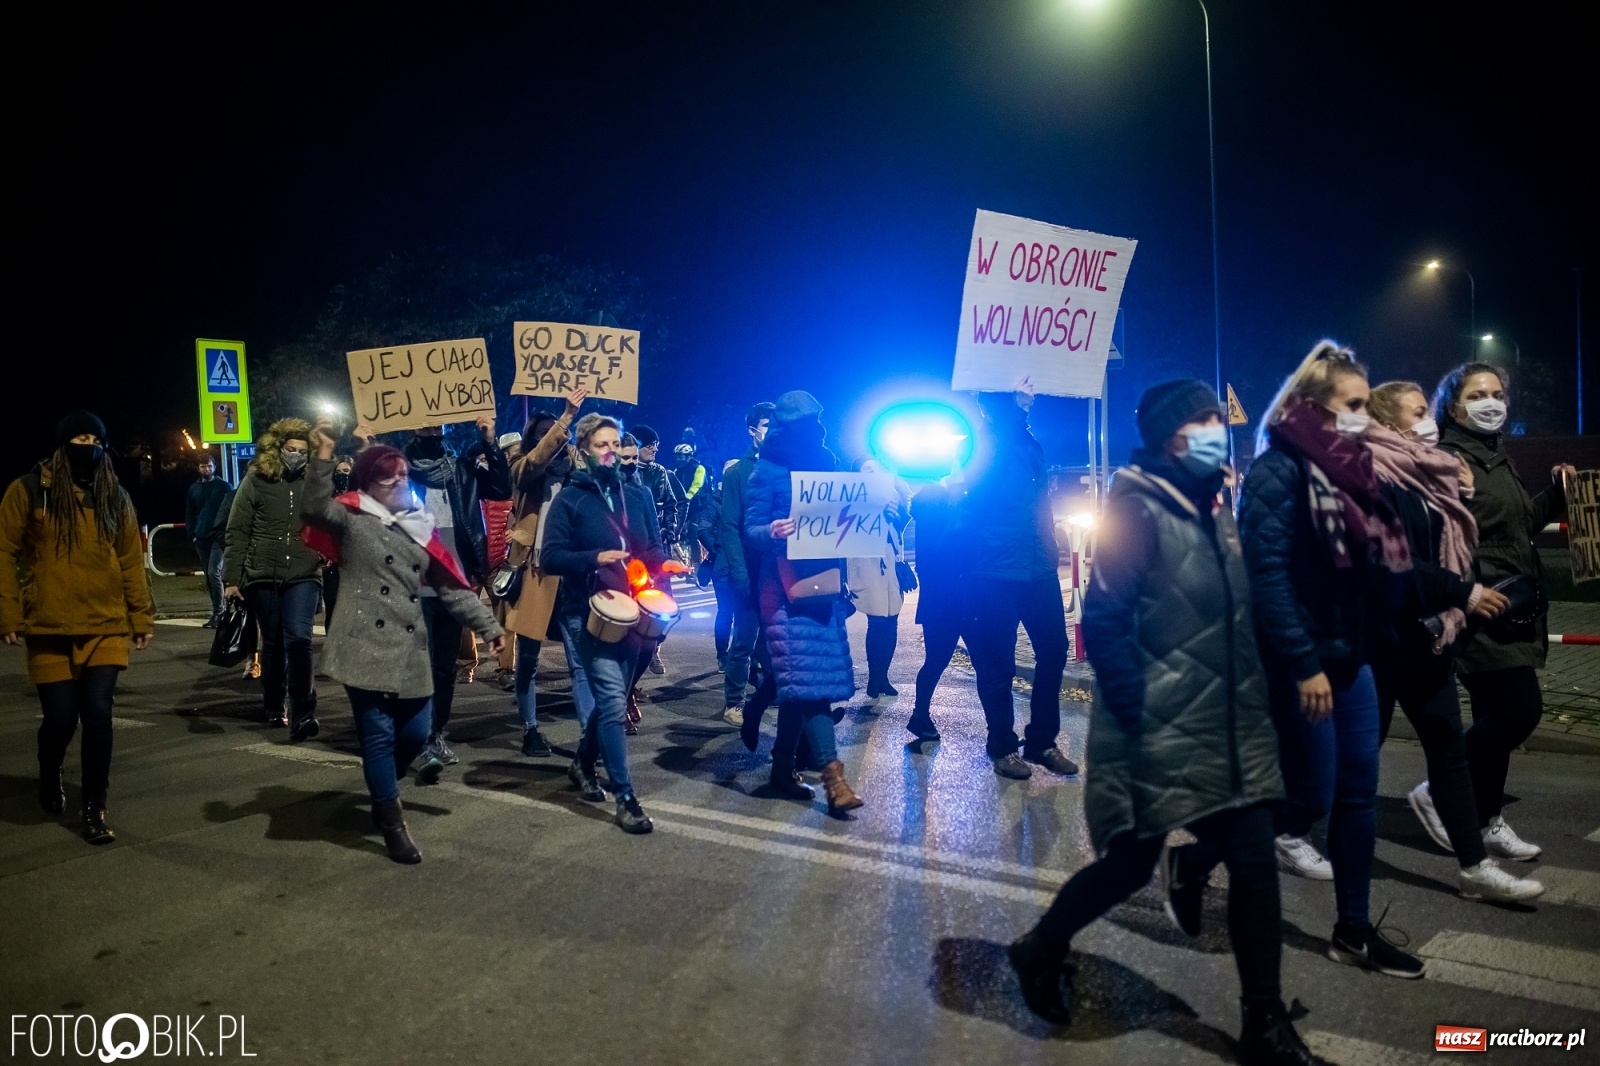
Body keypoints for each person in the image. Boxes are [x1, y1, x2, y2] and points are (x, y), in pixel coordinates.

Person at [1009, 381, 1325, 1066]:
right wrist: (1138, 716)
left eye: (1220, 417)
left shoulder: (1214, 507)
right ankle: (1041, 946)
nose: (1219, 428)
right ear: (1167, 436)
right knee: (1128, 866)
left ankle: (1265, 1025)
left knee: (1252, 859)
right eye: (1203, 420)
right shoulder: (1137, 508)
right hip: (1153, 724)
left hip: (1228, 724)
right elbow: (1105, 621)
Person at [1239, 341, 1423, 979]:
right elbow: (1266, 577)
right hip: (1301, 663)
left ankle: (1353, 929)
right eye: (1352, 405)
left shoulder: (1362, 471)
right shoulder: (1278, 472)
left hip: (1354, 659)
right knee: (1310, 795)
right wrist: (1302, 661)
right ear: (1313, 405)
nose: (1363, 416)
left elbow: (1383, 565)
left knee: (1358, 796)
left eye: (1367, 405)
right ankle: (1208, 853)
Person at [1364, 382, 1542, 902]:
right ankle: (1285, 830)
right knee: (1357, 756)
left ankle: (1474, 869)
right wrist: (1464, 592)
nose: (1428, 421)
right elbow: (1397, 562)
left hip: (1429, 633)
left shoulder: (1429, 470)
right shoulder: (1376, 475)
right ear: (1391, 422)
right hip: (1384, 639)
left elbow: (1453, 541)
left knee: (1448, 751)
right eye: (1419, 412)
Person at [301, 419, 504, 864]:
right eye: (385, 474)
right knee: (377, 734)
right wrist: (322, 453)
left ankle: (382, 788)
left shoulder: (419, 526)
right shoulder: (349, 514)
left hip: (411, 648)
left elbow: (451, 587)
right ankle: (392, 821)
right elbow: (313, 506)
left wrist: (489, 627)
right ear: (367, 482)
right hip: (362, 643)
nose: (397, 480)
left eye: (402, 473)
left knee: (415, 733)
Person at [1435, 362, 1576, 864]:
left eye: (1497, 393)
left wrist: (1556, 495)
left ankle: (1485, 819)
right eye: (1478, 394)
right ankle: (1439, 790)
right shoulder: (1450, 460)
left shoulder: (1495, 458)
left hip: (1512, 606)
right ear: (1454, 406)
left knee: (1498, 716)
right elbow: (1439, 539)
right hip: (1482, 609)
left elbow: (1517, 526)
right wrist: (1466, 591)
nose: (1491, 402)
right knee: (1520, 711)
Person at [2, 410, 154, 846]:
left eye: (95, 438)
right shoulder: (29, 490)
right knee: (60, 720)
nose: (87, 445)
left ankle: (94, 809)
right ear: (62, 443)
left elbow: (129, 559)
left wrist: (139, 615)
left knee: (99, 715)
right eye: (79, 438)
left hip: (105, 624)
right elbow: (3, 551)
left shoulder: (114, 496)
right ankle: (49, 774)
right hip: (48, 626)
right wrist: (8, 614)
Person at [541, 412, 667, 834]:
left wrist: (664, 564)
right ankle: (626, 797)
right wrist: (593, 558)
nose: (611, 452)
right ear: (583, 451)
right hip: (587, 613)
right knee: (612, 701)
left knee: (615, 697)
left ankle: (581, 763)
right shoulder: (570, 499)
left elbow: (650, 547)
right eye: (602, 445)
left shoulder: (639, 496)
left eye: (615, 444)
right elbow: (551, 557)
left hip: (632, 611)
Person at [744, 390, 863, 815]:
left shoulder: (827, 465)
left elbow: (845, 522)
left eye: (815, 423)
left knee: (801, 681)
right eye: (801, 426)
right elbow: (750, 528)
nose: (810, 432)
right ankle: (834, 778)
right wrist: (772, 530)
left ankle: (780, 769)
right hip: (782, 587)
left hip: (823, 582)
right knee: (810, 683)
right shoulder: (768, 470)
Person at [374, 415, 510, 767]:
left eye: (439, 424)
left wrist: (490, 442)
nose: (433, 428)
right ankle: (412, 733)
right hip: (412, 582)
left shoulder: (461, 467)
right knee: (417, 664)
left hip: (453, 581)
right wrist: (368, 447)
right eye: (426, 422)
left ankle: (435, 734)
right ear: (412, 424)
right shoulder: (396, 468)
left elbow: (500, 488)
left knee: (445, 667)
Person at [960, 382, 1079, 780]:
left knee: (1054, 650)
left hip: (1036, 565)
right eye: (1017, 396)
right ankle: (1002, 747)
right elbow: (986, 481)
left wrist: (1052, 543)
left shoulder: (1027, 441)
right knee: (998, 662)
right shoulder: (983, 444)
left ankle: (1041, 741)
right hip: (993, 569)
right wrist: (1016, 409)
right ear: (998, 404)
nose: (1028, 398)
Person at [223, 417, 323, 736]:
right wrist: (232, 578)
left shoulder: (314, 482)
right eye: (290, 449)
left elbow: (332, 515)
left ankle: (303, 712)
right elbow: (238, 531)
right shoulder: (256, 480)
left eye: (302, 450)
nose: (296, 454)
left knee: (299, 638)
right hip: (263, 575)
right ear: (278, 449)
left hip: (304, 573)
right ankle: (273, 703)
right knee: (274, 644)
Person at [504, 390, 585, 757]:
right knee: (529, 659)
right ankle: (530, 729)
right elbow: (536, 461)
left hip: (569, 572)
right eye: (542, 433)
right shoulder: (522, 466)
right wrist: (566, 417)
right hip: (535, 571)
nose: (550, 439)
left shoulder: (574, 470)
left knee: (579, 661)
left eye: (555, 433)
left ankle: (590, 736)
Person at [715, 402, 774, 727]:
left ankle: (769, 695)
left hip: (781, 573)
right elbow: (729, 527)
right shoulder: (739, 473)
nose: (773, 431)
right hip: (750, 572)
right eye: (767, 425)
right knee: (745, 640)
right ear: (752, 430)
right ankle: (734, 703)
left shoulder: (789, 469)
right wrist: (739, 572)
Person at [846, 456, 912, 699]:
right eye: (868, 469)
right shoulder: (853, 496)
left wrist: (897, 503)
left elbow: (904, 522)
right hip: (868, 564)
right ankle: (875, 678)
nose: (874, 472)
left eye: (877, 468)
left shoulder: (892, 493)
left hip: (891, 562)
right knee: (877, 621)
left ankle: (883, 676)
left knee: (891, 619)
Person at [906, 474, 962, 741]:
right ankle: (920, 715)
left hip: (940, 603)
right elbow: (940, 560)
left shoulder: (930, 519)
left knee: (936, 661)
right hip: (952, 601)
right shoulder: (942, 521)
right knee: (938, 660)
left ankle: (921, 715)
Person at [630, 424, 686, 676]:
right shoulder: (625, 474)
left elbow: (675, 504)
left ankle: (654, 651)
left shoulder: (660, 473)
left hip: (657, 547)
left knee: (662, 604)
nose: (654, 449)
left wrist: (670, 535)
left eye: (656, 444)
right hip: (631, 552)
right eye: (649, 444)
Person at [184, 454, 230, 625]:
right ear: (198, 468)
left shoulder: (223, 486)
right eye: (203, 466)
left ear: (214, 467)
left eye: (209, 466)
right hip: (201, 537)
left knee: (214, 572)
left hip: (219, 537)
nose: (207, 469)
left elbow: (231, 509)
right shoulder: (193, 489)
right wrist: (193, 534)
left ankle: (220, 612)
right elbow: (190, 513)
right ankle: (217, 610)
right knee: (209, 577)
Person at [321, 455, 354, 625]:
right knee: (334, 610)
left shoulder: (362, 499)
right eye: (338, 472)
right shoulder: (327, 500)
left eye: (346, 471)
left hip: (357, 564)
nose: (342, 475)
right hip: (333, 565)